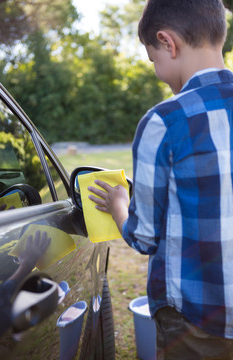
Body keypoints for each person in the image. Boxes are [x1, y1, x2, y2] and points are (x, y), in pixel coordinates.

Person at [88, 0, 233, 358]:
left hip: (197, 321)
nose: (158, 72)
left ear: (168, 43)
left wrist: (120, 204)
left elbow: (144, 236)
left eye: (153, 60)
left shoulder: (166, 121)